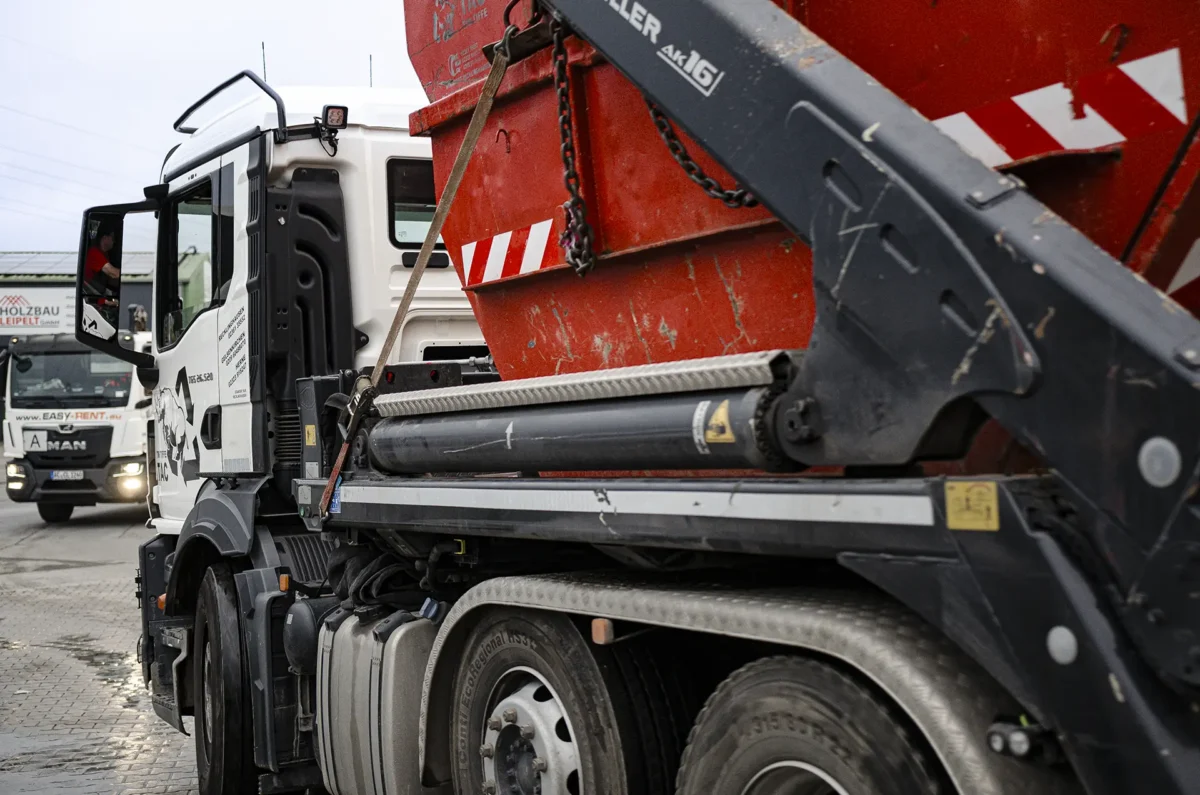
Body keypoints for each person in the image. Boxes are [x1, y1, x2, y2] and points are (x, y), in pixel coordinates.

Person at [83, 223, 120, 292]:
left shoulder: (104, 253)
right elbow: (113, 273)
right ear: (104, 238)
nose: (114, 241)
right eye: (113, 238)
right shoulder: (94, 253)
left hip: (99, 290)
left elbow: (110, 280)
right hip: (94, 294)